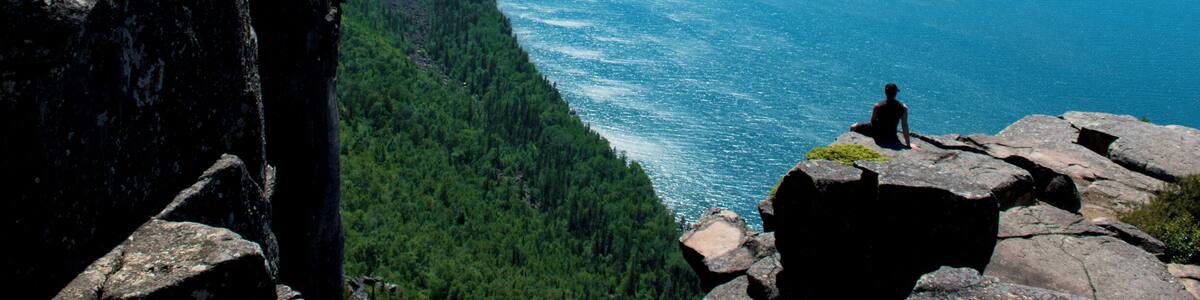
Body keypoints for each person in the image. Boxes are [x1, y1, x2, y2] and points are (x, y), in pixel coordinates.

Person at [849, 83, 915, 149]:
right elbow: (904, 125)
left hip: (877, 133)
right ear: (895, 93)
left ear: (885, 92)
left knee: (853, 126)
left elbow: (872, 122)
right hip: (891, 136)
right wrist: (908, 145)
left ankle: (850, 145)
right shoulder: (903, 107)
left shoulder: (877, 106)